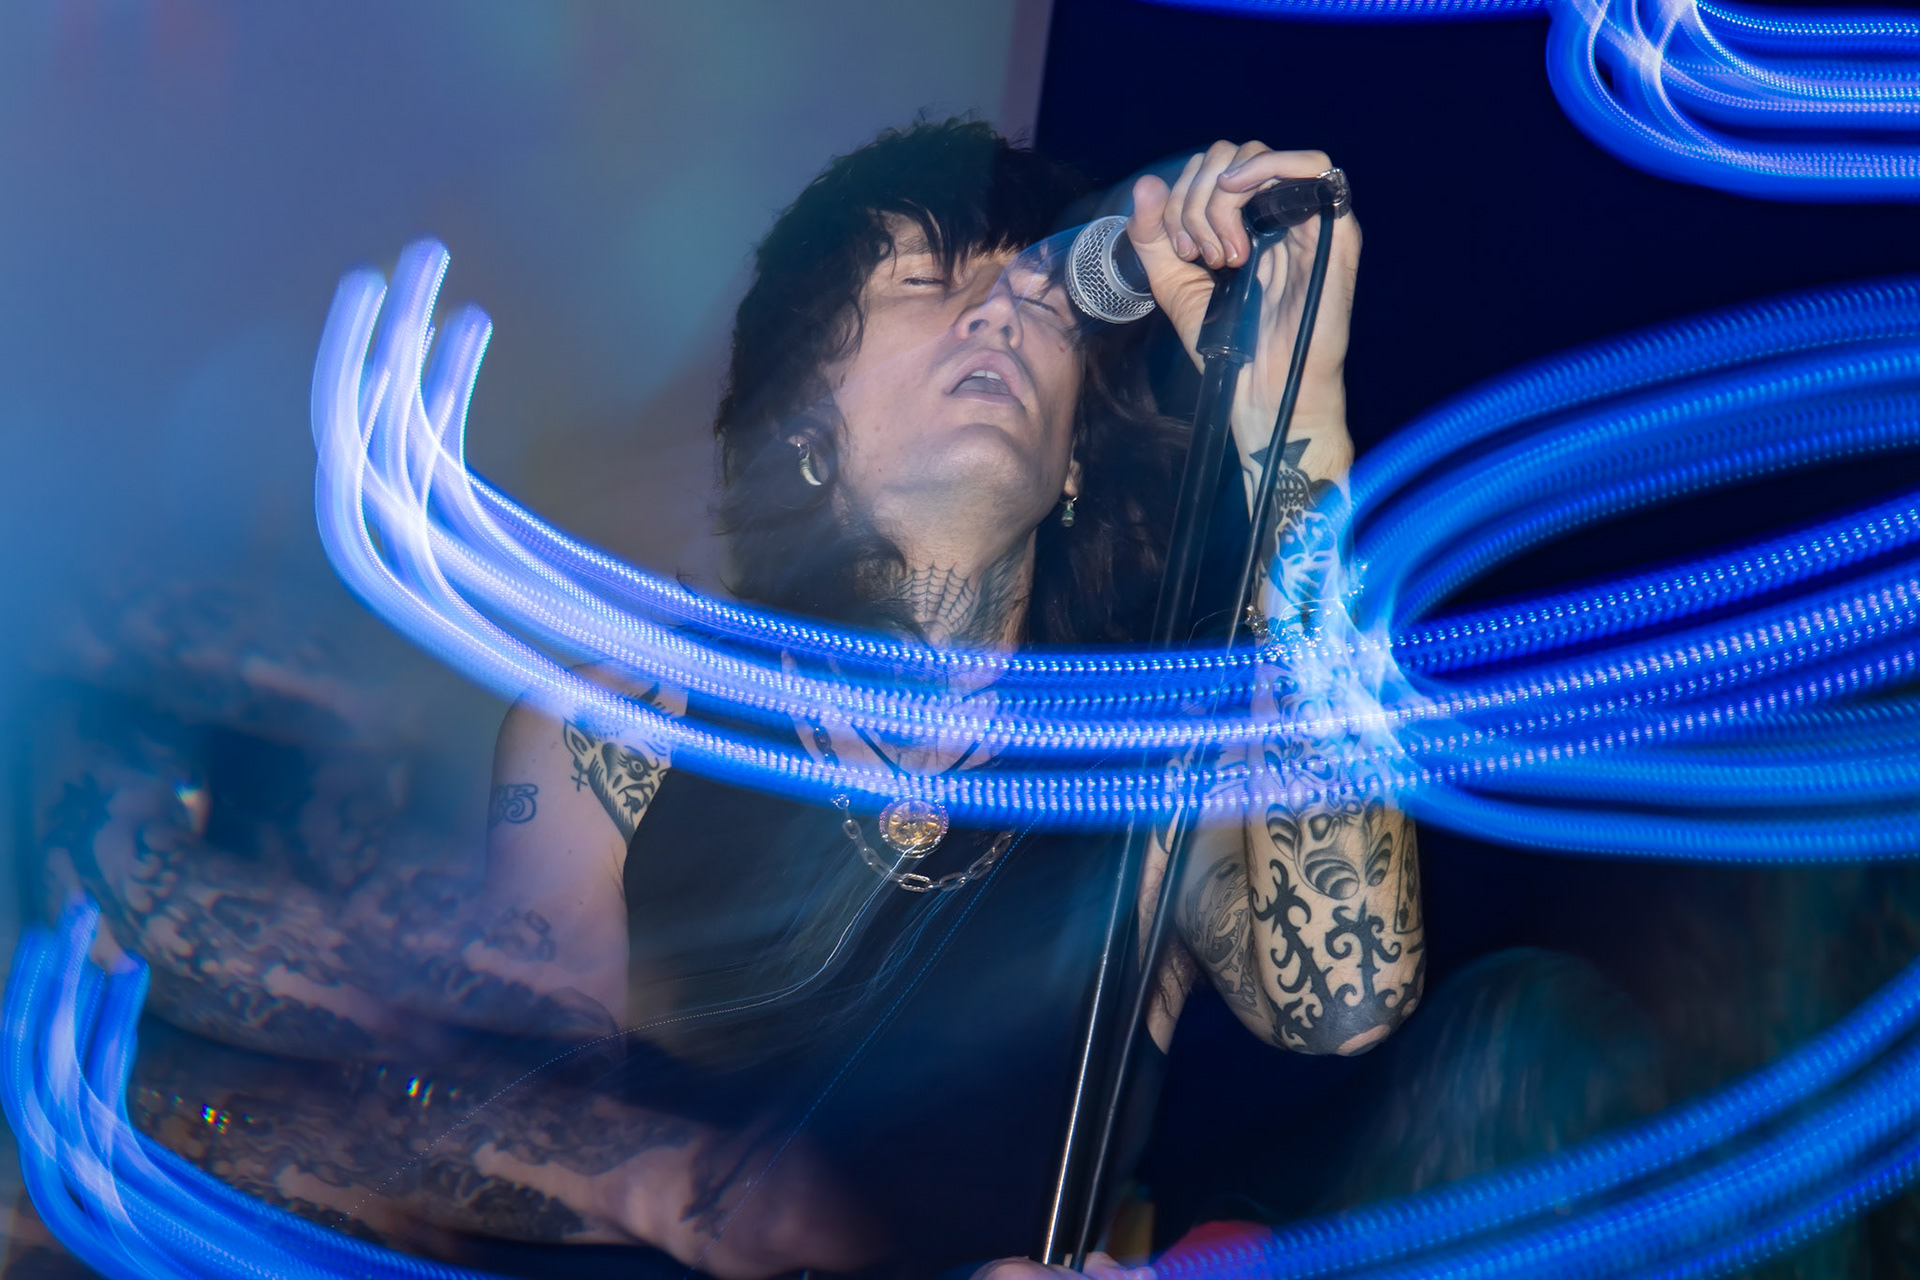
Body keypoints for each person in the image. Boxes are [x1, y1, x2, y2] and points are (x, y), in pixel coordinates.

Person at [57, 119, 1421, 1279]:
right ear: (807, 431)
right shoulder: (625, 717)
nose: (999, 310)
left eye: (1036, 297)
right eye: (926, 281)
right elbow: (500, 1097)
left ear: (1072, 461)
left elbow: (1351, 993)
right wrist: (715, 1197)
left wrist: (1298, 432)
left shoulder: (1150, 771)